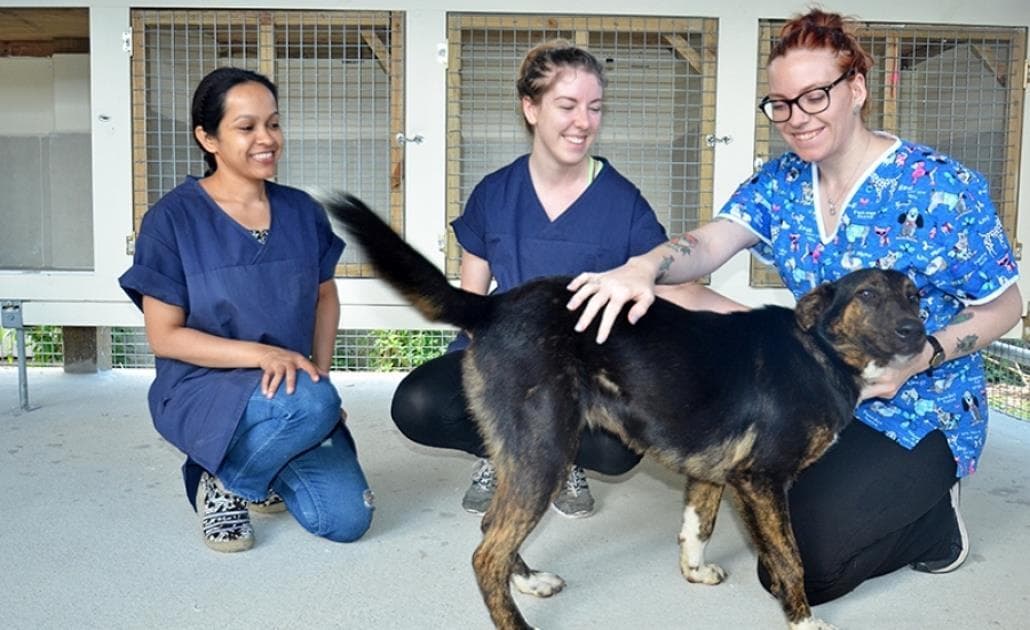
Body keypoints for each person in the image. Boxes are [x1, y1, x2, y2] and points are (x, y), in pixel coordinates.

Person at [566, 9, 1022, 604]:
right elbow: (708, 244)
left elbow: (1006, 304)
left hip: (918, 407)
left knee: (807, 569)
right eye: (780, 103)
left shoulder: (940, 187)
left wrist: (924, 357)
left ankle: (937, 526)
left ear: (856, 88)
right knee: (771, 528)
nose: (796, 118)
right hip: (817, 394)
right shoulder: (780, 181)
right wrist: (642, 267)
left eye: (814, 96)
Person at [391, 40, 727, 518]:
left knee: (617, 450)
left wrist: (754, 325)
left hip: (587, 370)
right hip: (506, 353)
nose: (584, 122)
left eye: (594, 108)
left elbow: (674, 288)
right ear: (531, 107)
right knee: (418, 404)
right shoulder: (493, 193)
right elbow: (470, 303)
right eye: (567, 105)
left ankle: (563, 455)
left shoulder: (624, 203)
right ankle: (502, 451)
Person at [119, 67, 374, 552]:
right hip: (203, 386)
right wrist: (262, 356)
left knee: (346, 520)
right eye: (247, 127)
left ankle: (246, 467)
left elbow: (325, 296)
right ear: (207, 138)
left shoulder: (302, 211)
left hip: (291, 388)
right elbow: (164, 336)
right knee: (309, 404)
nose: (267, 138)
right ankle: (223, 482)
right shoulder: (170, 220)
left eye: (273, 124)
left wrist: (318, 376)